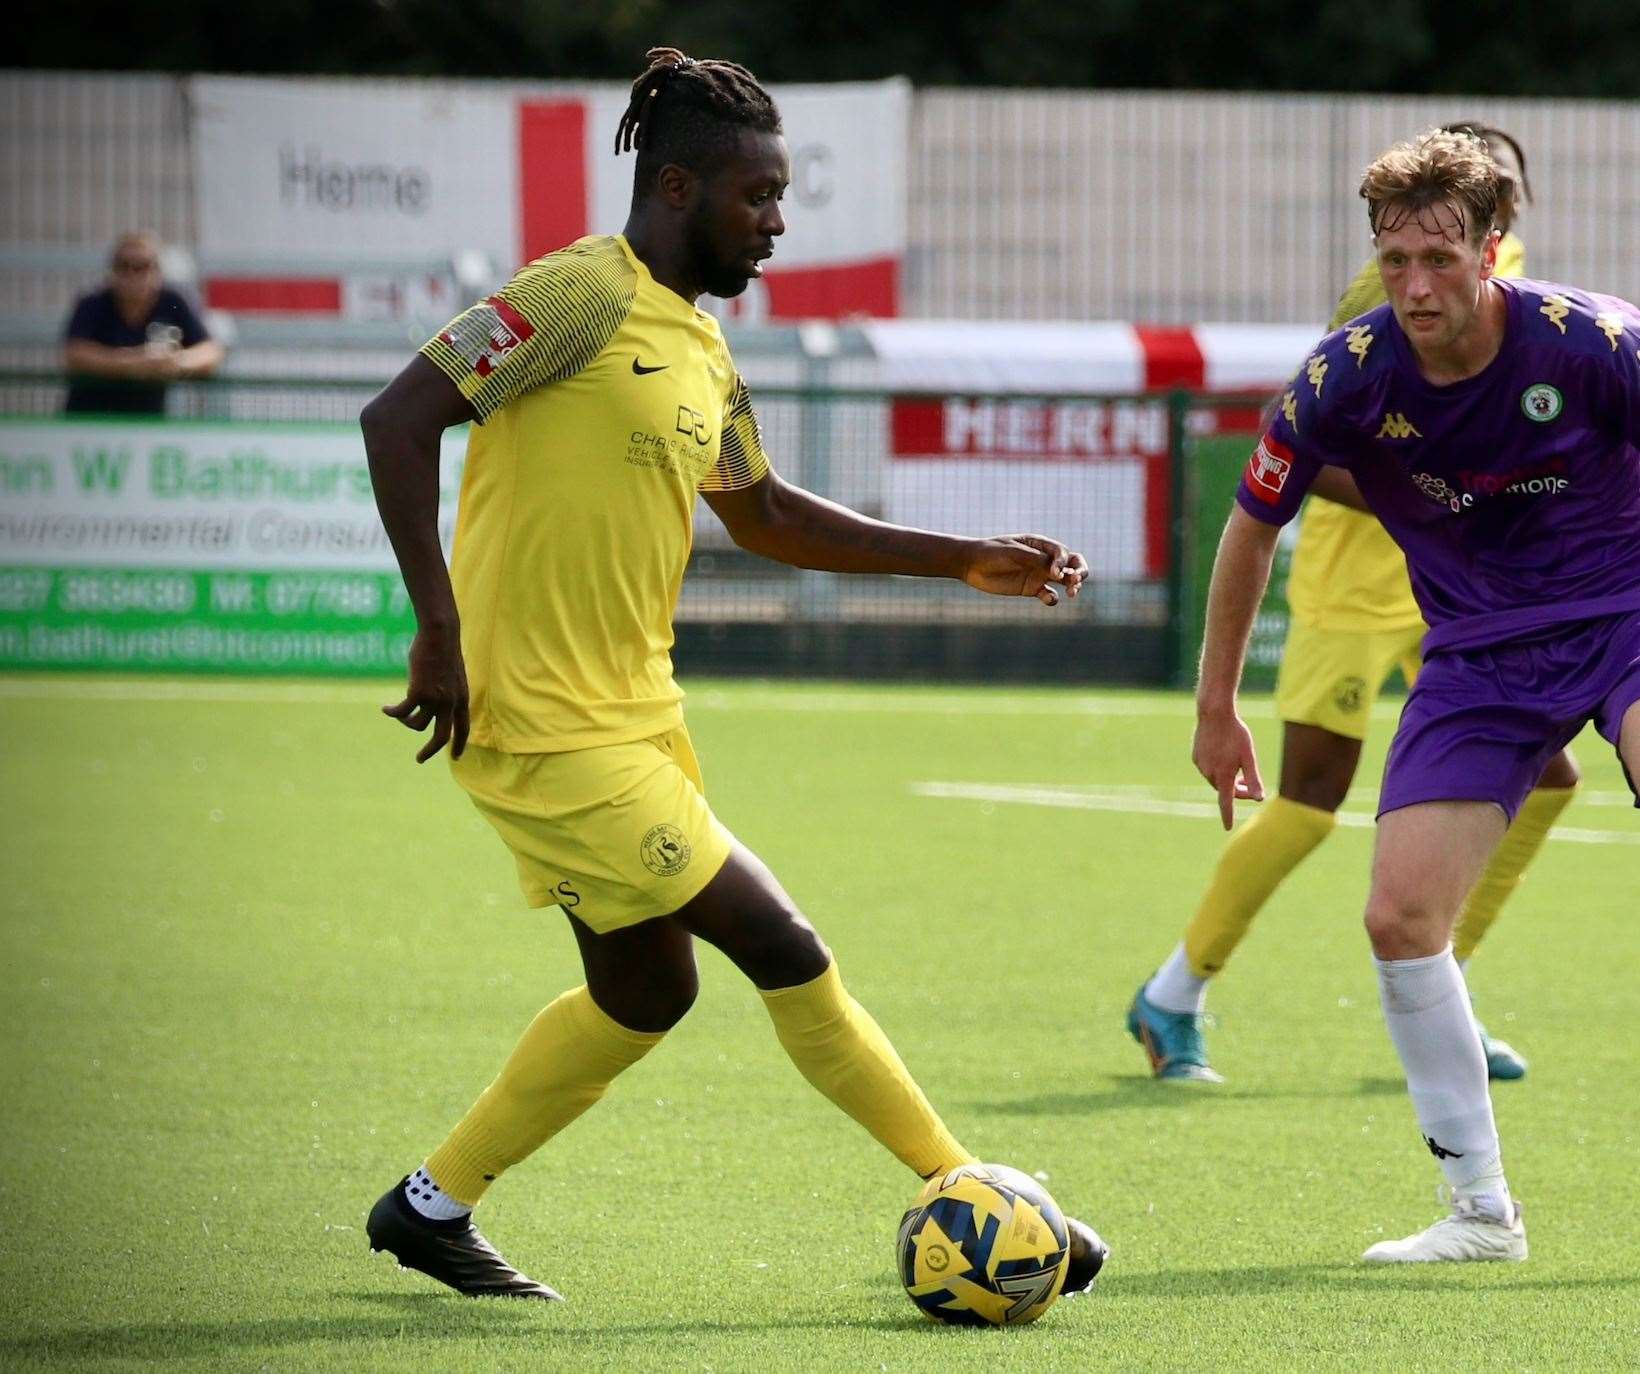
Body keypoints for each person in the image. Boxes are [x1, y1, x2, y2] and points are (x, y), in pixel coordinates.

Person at [358, 48, 1107, 1300]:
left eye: (782, 201)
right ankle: (976, 1193)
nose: (773, 226)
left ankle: (429, 1207)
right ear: (675, 188)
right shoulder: (578, 294)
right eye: (755, 199)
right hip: (545, 728)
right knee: (784, 944)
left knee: (646, 993)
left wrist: (962, 558)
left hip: (635, 720)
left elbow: (760, 514)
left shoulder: (698, 343)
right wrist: (436, 629)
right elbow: (398, 418)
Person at [1193, 127, 1639, 1262]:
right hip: (1479, 652)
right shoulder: (1342, 376)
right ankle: (1481, 1215)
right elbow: (1251, 528)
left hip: (1625, 614)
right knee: (1397, 920)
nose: (1415, 286)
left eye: (1439, 259)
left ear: (1492, 251)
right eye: (1394, 261)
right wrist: (1214, 707)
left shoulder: (1590, 341)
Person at [1127, 124, 1577, 1085]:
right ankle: (1172, 994)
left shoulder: (1521, 291)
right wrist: (1434, 493)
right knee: (1307, 804)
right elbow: (1296, 438)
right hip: (1356, 582)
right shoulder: (1391, 292)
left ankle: (1441, 988)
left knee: (1549, 781)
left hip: (1469, 591)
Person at [62, 232, 224, 415]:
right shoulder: (92, 303)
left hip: (147, 421)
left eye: (141, 267)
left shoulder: (173, 302)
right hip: (90, 418)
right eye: (123, 266)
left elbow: (210, 351)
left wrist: (176, 362)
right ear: (112, 271)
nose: (132, 274)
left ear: (158, 271)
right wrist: (133, 361)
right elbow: (75, 353)